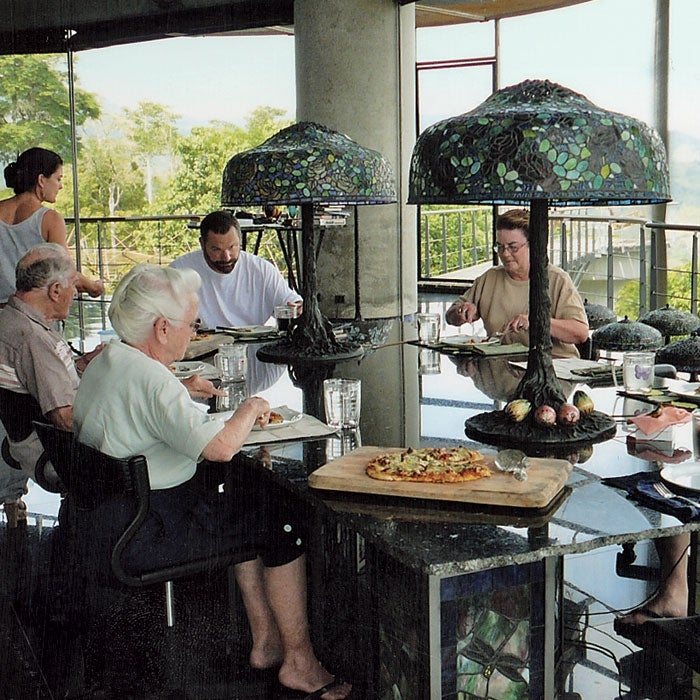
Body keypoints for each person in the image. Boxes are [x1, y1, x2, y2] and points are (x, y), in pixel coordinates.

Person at [72, 263, 350, 700]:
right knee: (283, 523)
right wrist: (251, 407)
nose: (194, 331)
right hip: (151, 529)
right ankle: (299, 662)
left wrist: (181, 391)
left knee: (246, 496)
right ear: (163, 328)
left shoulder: (108, 360)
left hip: (110, 517)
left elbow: (144, 411)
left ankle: (266, 640)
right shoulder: (152, 381)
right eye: (192, 323)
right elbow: (220, 447)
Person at [445, 208, 589, 359]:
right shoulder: (490, 278)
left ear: (532, 246)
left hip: (552, 370)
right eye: (500, 247)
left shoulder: (557, 280)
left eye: (513, 247)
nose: (505, 254)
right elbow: (450, 317)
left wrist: (536, 321)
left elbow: (580, 333)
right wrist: (461, 312)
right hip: (500, 368)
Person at [0, 147, 105, 302]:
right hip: (35, 315)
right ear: (41, 180)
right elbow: (66, 273)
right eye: (58, 178)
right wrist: (94, 287)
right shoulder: (50, 219)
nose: (60, 186)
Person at [170, 210, 302, 328]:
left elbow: (290, 302)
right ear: (202, 244)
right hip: (204, 352)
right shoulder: (180, 271)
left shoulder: (261, 269)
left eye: (232, 247)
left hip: (253, 352)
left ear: (240, 240)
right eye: (216, 249)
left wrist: (297, 307)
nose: (226, 257)